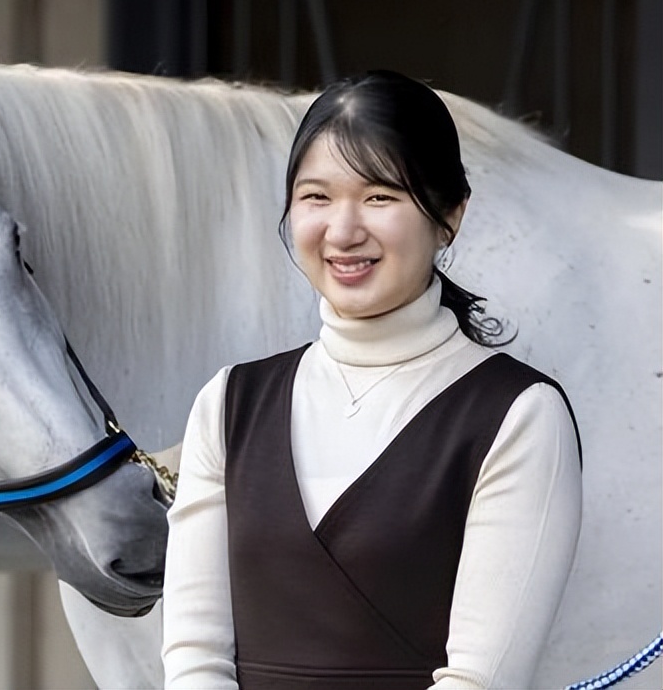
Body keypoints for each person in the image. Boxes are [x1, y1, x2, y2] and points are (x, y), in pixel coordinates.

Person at [161, 70, 582, 689]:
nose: (343, 231)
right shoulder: (229, 404)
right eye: (316, 197)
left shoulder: (518, 414)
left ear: (450, 215)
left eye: (380, 196)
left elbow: (480, 681)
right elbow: (194, 658)